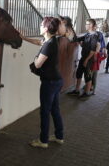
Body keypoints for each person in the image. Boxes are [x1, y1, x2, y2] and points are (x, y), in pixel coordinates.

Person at [27, 17, 70, 148]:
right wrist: (23, 37)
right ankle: (59, 136)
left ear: (45, 28)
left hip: (49, 83)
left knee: (44, 111)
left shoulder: (49, 44)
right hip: (57, 81)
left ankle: (43, 140)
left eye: (41, 25)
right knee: (55, 109)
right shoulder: (51, 40)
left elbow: (38, 64)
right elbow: (38, 42)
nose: (39, 26)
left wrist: (35, 59)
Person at [67, 19, 99, 98]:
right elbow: (76, 39)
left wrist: (86, 60)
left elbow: (92, 51)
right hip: (83, 57)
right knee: (79, 73)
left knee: (87, 76)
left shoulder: (94, 36)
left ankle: (86, 93)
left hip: (88, 59)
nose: (85, 25)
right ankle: (77, 90)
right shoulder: (87, 35)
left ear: (91, 25)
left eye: (87, 24)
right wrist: (70, 32)